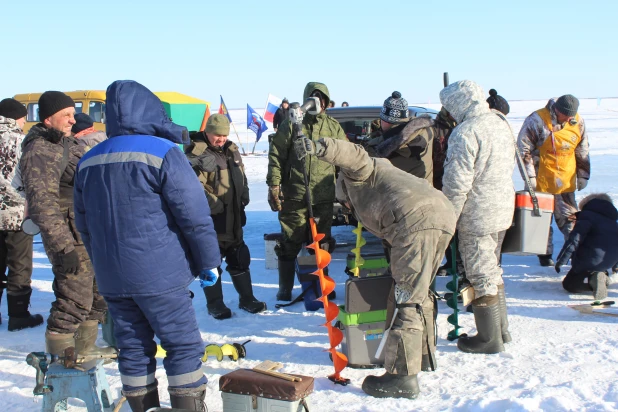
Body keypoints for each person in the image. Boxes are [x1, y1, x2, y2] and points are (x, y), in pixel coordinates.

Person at [74, 80, 221, 411]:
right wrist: (208, 261)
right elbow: (194, 216)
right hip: (161, 276)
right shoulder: (164, 152)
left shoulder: (89, 159)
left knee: (132, 347)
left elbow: (84, 225)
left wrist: (103, 265)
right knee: (182, 346)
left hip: (113, 278)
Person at [294, 136, 456, 399]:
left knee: (406, 300)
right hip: (441, 214)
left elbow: (352, 153)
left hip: (415, 222)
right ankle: (422, 357)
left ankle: (402, 377)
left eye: (346, 204)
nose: (349, 208)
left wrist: (318, 147)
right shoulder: (389, 177)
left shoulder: (361, 172)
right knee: (419, 291)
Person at [20, 91, 112, 357]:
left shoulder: (66, 144)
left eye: (73, 114)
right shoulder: (40, 150)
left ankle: (84, 348)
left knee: (96, 293)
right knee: (74, 297)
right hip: (68, 237)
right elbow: (42, 203)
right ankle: (62, 357)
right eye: (67, 115)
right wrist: (63, 247)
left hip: (87, 232)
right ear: (48, 119)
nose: (73, 120)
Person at [440, 80, 516, 354]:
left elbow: (457, 185)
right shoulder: (499, 121)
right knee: (492, 270)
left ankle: (488, 339)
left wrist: (448, 218)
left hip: (477, 215)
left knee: (481, 275)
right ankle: (501, 330)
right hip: (502, 209)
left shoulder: (465, 133)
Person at [267, 82, 346, 301]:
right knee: (290, 241)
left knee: (321, 242)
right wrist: (274, 185)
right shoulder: (291, 125)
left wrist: (347, 190)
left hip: (323, 195)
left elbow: (344, 158)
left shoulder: (333, 127)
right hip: (295, 194)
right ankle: (285, 288)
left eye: (321, 98)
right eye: (313, 97)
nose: (316, 102)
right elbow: (276, 156)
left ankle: (321, 287)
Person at [185, 114, 266, 320]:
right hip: (211, 219)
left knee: (239, 256)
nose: (220, 139)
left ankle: (247, 299)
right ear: (207, 132)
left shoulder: (231, 149)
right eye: (216, 135)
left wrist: (244, 194)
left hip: (234, 216)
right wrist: (215, 204)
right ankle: (215, 304)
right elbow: (193, 188)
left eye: (224, 135)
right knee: (210, 262)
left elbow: (241, 175)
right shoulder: (197, 153)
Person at [518, 94, 590, 267]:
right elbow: (523, 149)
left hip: (566, 179)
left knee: (570, 219)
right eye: (567, 115)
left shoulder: (577, 122)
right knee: (542, 220)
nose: (570, 119)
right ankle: (545, 255)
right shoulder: (537, 120)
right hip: (541, 178)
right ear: (558, 110)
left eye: (572, 116)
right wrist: (530, 177)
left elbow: (582, 148)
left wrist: (583, 174)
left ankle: (574, 252)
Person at [0, 98, 43, 330]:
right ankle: (18, 315)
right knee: (19, 264)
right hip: (17, 214)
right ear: (15, 117)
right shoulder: (22, 141)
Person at [555, 194, 618, 301]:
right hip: (607, 262)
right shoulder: (613, 222)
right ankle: (602, 277)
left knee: (569, 284)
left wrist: (562, 260)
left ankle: (592, 281)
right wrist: (615, 267)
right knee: (598, 271)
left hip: (588, 260)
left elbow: (574, 240)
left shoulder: (587, 216)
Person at [365, 91, 434, 181]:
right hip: (427, 190)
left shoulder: (386, 146)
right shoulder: (425, 130)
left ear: (385, 120)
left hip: (404, 193)